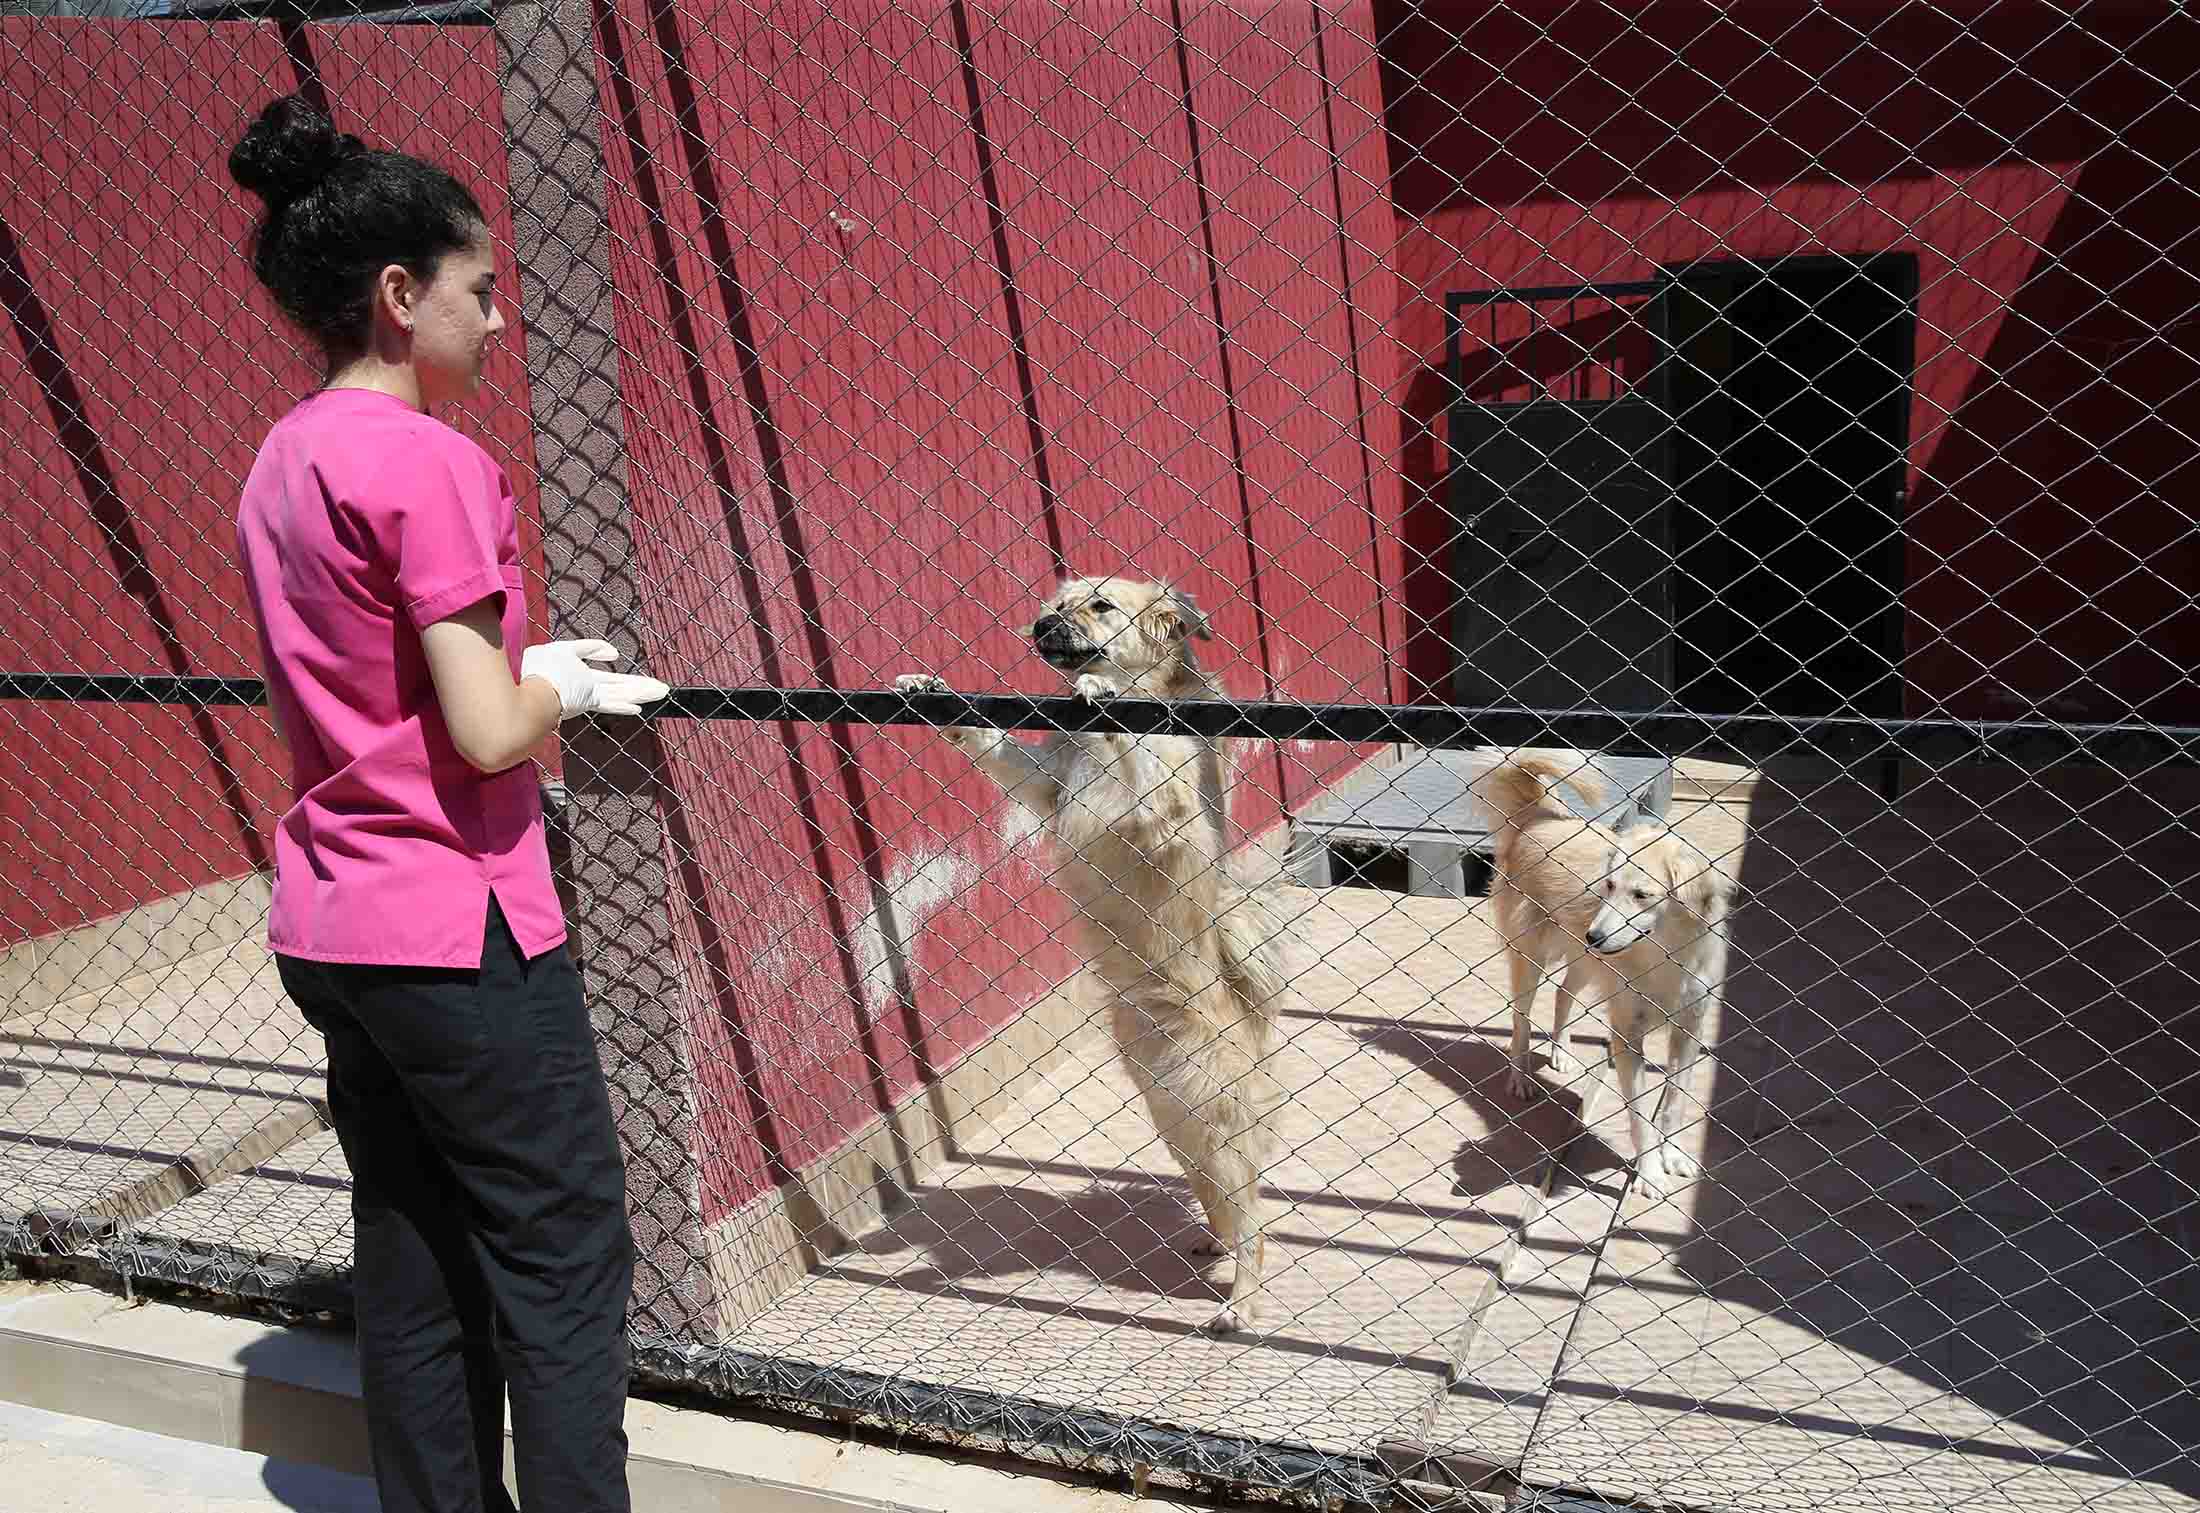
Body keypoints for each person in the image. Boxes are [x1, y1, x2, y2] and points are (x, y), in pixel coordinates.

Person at [226, 93, 663, 1513]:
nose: (496, 322)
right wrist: (559, 690)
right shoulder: (433, 459)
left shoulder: (285, 457)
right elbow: (482, 731)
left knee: (413, 1244)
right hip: (457, 926)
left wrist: (509, 675)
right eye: (482, 292)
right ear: (401, 295)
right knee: (565, 1244)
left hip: (334, 918)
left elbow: (383, 679)